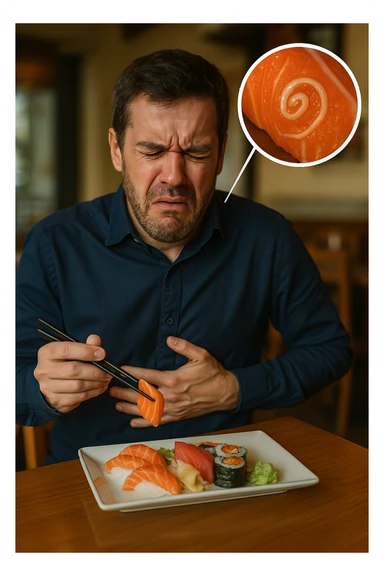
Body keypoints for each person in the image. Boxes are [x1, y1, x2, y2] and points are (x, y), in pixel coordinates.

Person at [16, 49, 353, 464]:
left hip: (225, 477)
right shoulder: (55, 243)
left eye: (195, 153)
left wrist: (235, 387)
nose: (174, 177)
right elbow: (15, 384)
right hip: (85, 483)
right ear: (117, 149)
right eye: (152, 151)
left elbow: (329, 350)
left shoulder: (268, 237)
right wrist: (43, 389)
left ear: (221, 153)